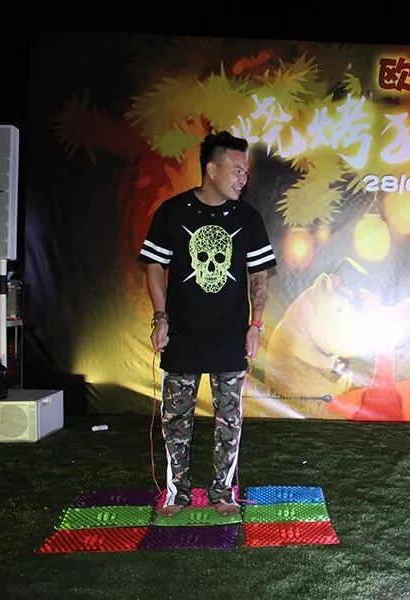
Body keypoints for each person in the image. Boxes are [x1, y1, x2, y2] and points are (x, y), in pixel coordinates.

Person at [139, 131, 277, 517]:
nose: (242, 179)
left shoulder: (248, 218)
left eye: (245, 172)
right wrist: (160, 318)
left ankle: (222, 492)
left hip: (230, 337)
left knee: (229, 420)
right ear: (211, 170)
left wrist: (256, 325)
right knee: (176, 421)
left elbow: (259, 274)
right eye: (236, 170)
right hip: (181, 336)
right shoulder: (172, 212)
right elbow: (154, 266)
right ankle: (177, 493)